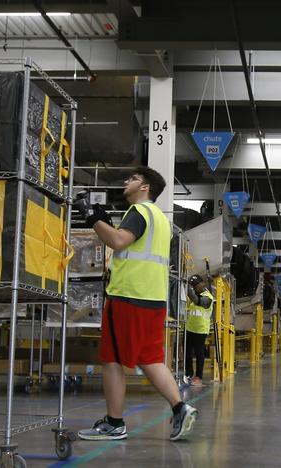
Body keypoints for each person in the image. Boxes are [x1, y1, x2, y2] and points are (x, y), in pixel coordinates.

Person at [74, 167, 198, 441]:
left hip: (128, 297)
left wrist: (91, 217)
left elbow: (118, 241)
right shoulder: (160, 219)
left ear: (145, 187)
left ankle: (114, 422)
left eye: (133, 179)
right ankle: (180, 408)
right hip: (153, 298)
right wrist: (104, 222)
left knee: (112, 360)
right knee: (151, 358)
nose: (126, 181)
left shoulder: (139, 212)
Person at [183, 274, 215, 387]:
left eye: (197, 284)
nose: (196, 287)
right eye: (194, 286)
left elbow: (198, 301)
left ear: (203, 283)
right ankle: (188, 374)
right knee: (187, 353)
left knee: (199, 353)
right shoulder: (193, 297)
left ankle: (199, 376)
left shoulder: (208, 297)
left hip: (200, 331)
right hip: (189, 328)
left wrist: (185, 285)